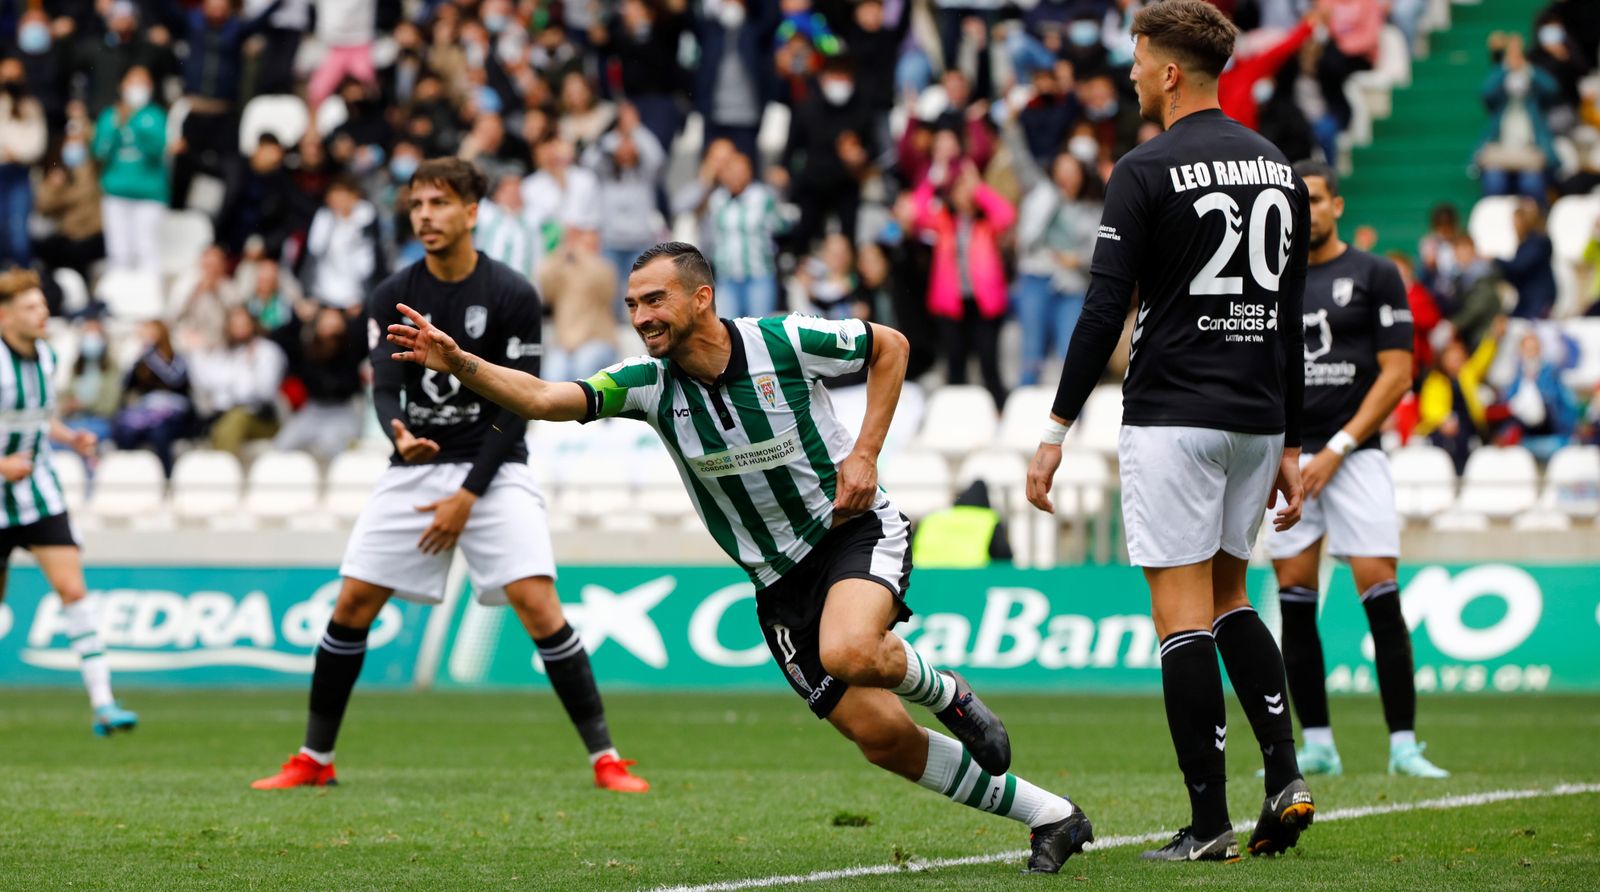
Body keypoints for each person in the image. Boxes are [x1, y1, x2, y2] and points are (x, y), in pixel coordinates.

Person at [386, 241, 1096, 873]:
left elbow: (892, 346)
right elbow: (543, 397)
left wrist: (866, 455)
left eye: (655, 300)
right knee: (882, 740)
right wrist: (461, 363)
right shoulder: (647, 385)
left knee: (851, 650)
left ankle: (951, 695)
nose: (642, 317)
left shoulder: (783, 341)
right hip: (775, 584)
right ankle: (1052, 816)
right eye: (632, 305)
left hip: (850, 531)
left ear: (703, 298)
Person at [251, 158, 648, 795]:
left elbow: (519, 408)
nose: (426, 216)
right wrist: (399, 433)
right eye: (416, 205)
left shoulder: (513, 293)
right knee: (352, 603)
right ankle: (314, 758)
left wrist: (467, 495)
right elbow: (385, 389)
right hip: (415, 467)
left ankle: (607, 759)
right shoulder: (391, 293)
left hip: (493, 465)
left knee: (539, 604)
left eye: (439, 203)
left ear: (471, 212)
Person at [1025, 0, 1313, 861]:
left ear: (1170, 72)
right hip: (1258, 419)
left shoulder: (1144, 169)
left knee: (1180, 620)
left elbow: (1105, 306)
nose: (1131, 73)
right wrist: (1292, 442)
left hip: (1174, 412)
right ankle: (1286, 775)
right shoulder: (1279, 170)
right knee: (1233, 601)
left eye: (1139, 59)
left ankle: (1209, 823)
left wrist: (1056, 427)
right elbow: (1289, 317)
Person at [1266, 162, 1449, 782]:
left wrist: (1339, 447)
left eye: (1315, 199)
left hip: (1355, 457)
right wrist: (1285, 453)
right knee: (1295, 603)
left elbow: (1398, 374)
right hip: (1291, 461)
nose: (1306, 210)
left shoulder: (1374, 275)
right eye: (1296, 201)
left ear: (1337, 205)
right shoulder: (1274, 277)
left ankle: (1404, 745)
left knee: (1381, 596)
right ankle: (1317, 742)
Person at [0, 269, 137, 735]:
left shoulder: (46, 354)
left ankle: (104, 704)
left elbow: (37, 417)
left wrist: (68, 436)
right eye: (32, 308)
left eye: (43, 306)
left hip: (38, 495)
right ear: (4, 316)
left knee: (74, 592)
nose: (44, 315)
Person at [91, 65, 166, 278]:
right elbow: (100, 152)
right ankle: (119, 301)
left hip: (149, 194)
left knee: (146, 248)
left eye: (143, 83)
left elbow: (158, 150)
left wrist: (134, 122)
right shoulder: (109, 115)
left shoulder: (156, 116)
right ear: (122, 86)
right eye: (133, 82)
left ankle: (149, 302)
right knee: (118, 251)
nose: (138, 88)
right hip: (115, 192)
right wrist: (118, 124)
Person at [112, 321, 193, 475]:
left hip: (173, 416)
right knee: (124, 431)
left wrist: (153, 358)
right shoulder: (142, 361)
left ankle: (166, 477)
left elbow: (175, 379)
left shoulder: (177, 359)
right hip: (146, 413)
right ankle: (128, 475)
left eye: (151, 333)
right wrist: (135, 358)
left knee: (159, 433)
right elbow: (125, 385)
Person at [0, 58, 46, 267]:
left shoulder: (30, 106)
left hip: (18, 174)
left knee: (18, 235)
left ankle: (24, 286)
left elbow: (36, 145)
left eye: (14, 77)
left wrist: (15, 153)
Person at [911, 480, 1013, 569]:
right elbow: (1003, 559)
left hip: (921, 580)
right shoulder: (989, 519)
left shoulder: (931, 518)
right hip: (972, 581)